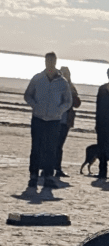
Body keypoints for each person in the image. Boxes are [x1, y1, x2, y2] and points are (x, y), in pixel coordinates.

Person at [23, 51, 72, 194]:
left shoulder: (62, 82)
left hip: (54, 120)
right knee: (36, 148)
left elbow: (68, 101)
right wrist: (35, 105)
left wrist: (59, 110)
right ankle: (33, 176)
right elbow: (27, 95)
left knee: (51, 149)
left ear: (55, 62)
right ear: (44, 61)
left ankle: (49, 177)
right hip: (38, 118)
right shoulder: (38, 78)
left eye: (52, 61)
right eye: (47, 61)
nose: (49, 63)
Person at [56, 66, 80, 181]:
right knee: (52, 145)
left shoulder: (71, 87)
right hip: (55, 119)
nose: (65, 75)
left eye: (67, 73)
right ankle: (48, 168)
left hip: (66, 120)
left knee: (59, 145)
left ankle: (57, 168)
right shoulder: (56, 85)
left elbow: (77, 103)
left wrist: (73, 95)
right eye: (63, 73)